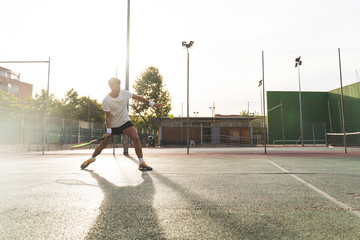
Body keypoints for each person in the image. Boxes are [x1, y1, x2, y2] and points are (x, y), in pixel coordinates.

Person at [80, 77, 164, 171]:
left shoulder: (124, 93)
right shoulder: (106, 100)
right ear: (111, 87)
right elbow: (107, 116)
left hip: (125, 122)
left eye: (119, 85)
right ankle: (91, 159)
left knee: (136, 138)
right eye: (116, 86)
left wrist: (152, 104)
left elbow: (138, 97)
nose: (119, 88)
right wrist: (108, 131)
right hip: (113, 125)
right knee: (102, 146)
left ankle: (141, 163)